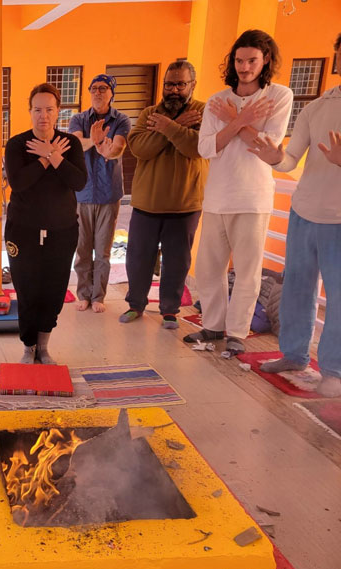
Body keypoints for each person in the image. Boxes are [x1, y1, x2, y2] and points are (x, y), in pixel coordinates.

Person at [187, 30, 293, 354]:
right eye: (239, 60)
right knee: (209, 269)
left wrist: (234, 121)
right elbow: (206, 148)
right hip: (217, 196)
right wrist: (239, 122)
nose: (244, 67)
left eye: (252, 61)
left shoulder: (279, 96)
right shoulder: (218, 101)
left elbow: (266, 146)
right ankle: (212, 327)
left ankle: (237, 333)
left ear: (266, 60)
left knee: (247, 270)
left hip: (252, 198)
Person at [248, 33, 341, 398]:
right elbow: (290, 160)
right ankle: (293, 354)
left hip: (338, 220)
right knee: (297, 288)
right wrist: (275, 158)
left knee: (338, 297)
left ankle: (333, 369)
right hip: (304, 211)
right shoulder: (316, 107)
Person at [121, 61, 208, 329]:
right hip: (146, 204)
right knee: (138, 259)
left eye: (180, 84)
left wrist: (168, 127)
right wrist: (178, 126)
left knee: (177, 262)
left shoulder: (203, 112)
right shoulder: (150, 113)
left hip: (184, 205)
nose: (174, 90)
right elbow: (140, 148)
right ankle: (135, 305)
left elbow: (196, 148)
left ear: (192, 85)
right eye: (169, 84)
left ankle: (170, 310)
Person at [4, 83, 87, 364]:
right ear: (30, 111)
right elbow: (19, 183)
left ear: (58, 111)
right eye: (38, 109)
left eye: (49, 109)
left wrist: (54, 155)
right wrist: (44, 159)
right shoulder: (17, 144)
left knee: (53, 290)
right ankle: (28, 347)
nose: (43, 115)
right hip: (23, 231)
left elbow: (78, 181)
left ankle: (44, 346)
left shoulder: (70, 144)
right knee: (27, 289)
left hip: (62, 230)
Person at [68, 74, 131, 313]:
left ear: (111, 92)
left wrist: (106, 149)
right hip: (82, 194)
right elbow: (75, 146)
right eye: (93, 88)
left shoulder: (121, 120)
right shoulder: (79, 119)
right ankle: (83, 294)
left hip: (108, 194)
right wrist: (94, 141)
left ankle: (98, 296)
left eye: (103, 88)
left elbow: (118, 147)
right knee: (82, 249)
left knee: (103, 251)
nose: (97, 92)